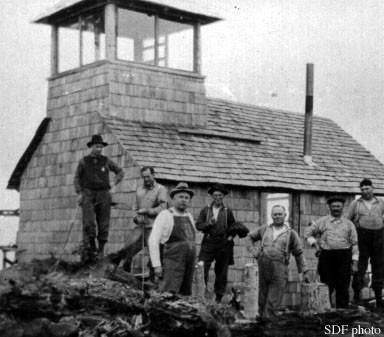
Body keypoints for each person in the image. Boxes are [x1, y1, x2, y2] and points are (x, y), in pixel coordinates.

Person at [246, 205, 309, 322]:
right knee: (262, 296)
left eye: (280, 214)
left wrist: (304, 271)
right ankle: (260, 322)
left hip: (280, 267)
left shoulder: (291, 233)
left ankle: (269, 323)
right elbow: (249, 237)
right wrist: (254, 252)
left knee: (274, 297)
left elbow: (299, 253)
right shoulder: (265, 229)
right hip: (263, 264)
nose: (277, 216)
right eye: (275, 214)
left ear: (285, 215)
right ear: (271, 216)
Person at [109, 167, 167, 277]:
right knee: (129, 247)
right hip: (140, 226)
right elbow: (135, 206)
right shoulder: (140, 190)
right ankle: (125, 275)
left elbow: (163, 207)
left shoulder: (161, 189)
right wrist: (136, 217)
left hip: (153, 227)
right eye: (144, 177)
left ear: (153, 175)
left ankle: (152, 279)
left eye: (148, 176)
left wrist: (149, 211)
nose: (146, 179)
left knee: (153, 252)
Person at [74, 134, 124, 262]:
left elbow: (120, 171)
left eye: (101, 147)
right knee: (89, 223)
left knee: (104, 224)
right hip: (88, 194)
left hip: (103, 195)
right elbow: (77, 178)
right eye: (97, 147)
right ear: (91, 147)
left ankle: (101, 251)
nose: (99, 149)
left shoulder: (106, 161)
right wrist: (79, 193)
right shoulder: (84, 161)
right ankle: (91, 249)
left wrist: (114, 182)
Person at [196, 183, 247, 303]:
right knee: (202, 268)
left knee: (222, 272)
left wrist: (230, 238)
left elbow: (234, 227)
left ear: (223, 196)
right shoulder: (206, 210)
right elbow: (198, 225)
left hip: (223, 244)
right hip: (208, 241)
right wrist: (208, 223)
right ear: (212, 196)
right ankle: (201, 295)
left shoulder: (227, 211)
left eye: (220, 195)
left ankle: (218, 298)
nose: (218, 198)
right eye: (215, 195)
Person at [305, 196, 359, 308]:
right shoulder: (322, 222)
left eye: (338, 206)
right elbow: (307, 234)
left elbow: (354, 244)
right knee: (326, 286)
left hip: (344, 257)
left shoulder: (349, 224)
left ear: (342, 207)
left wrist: (354, 263)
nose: (336, 209)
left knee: (343, 287)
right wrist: (315, 244)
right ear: (329, 207)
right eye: (333, 206)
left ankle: (343, 314)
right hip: (327, 257)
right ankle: (326, 313)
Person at [148, 182, 196, 295]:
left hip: (189, 263)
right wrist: (157, 265)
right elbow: (153, 241)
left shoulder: (189, 216)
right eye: (180, 197)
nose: (183, 200)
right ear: (174, 198)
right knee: (168, 294)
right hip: (172, 263)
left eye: (186, 198)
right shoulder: (165, 215)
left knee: (186, 295)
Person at [346, 178, 384, 308]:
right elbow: (347, 222)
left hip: (379, 238)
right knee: (359, 268)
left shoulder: (381, 202)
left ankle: (379, 300)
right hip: (361, 238)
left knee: (379, 268)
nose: (365, 191)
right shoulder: (356, 204)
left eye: (367, 189)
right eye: (362, 189)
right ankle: (357, 299)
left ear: (373, 188)